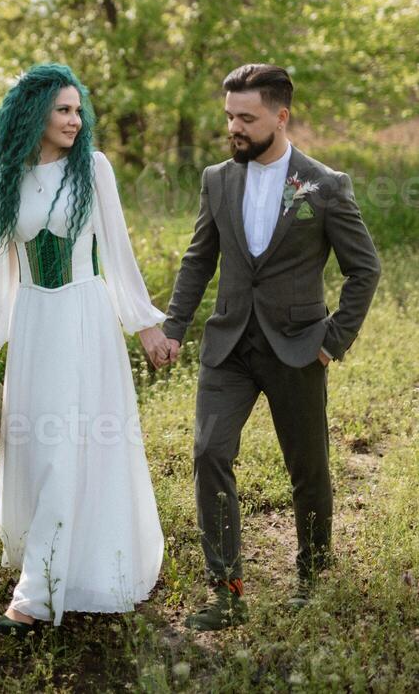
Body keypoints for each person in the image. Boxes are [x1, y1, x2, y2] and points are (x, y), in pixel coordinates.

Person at [150, 63, 381, 630]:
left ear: (281, 117)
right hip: (228, 343)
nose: (235, 127)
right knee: (209, 452)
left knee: (308, 467)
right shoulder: (217, 179)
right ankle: (227, 590)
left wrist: (332, 341)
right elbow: (199, 258)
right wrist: (175, 325)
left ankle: (312, 574)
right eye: (229, 116)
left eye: (246, 118)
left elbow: (365, 270)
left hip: (299, 346)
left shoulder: (324, 185)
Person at [0, 63, 168, 636]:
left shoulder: (93, 170)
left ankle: (34, 595)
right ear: (33, 115)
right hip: (33, 321)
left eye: (79, 110)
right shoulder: (7, 177)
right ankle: (51, 566)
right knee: (38, 448)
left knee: (73, 447)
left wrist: (144, 324)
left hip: (86, 318)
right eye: (64, 110)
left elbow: (119, 252)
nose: (76, 120)